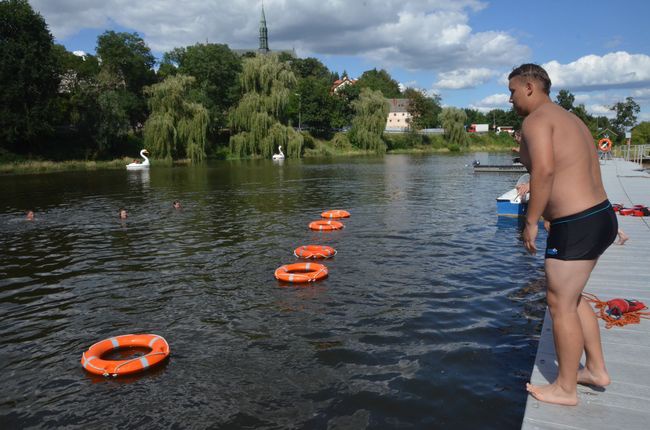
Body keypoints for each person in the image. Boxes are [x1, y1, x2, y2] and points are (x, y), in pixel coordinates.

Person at [508, 63, 617, 406]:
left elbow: (545, 170)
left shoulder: (536, 120)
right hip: (599, 216)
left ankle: (566, 388)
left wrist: (532, 219)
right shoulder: (568, 118)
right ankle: (595, 370)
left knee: (559, 303)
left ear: (529, 87)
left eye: (512, 91)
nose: (509, 99)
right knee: (573, 297)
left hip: (577, 224)